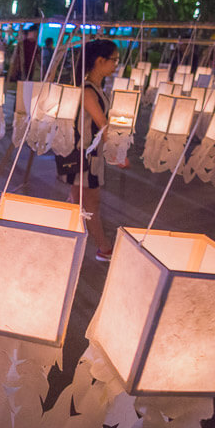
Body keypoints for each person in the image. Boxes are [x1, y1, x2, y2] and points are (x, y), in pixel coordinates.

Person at [56, 38, 118, 261]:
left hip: (90, 155)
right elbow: (103, 125)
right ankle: (104, 248)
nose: (116, 65)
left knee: (80, 201)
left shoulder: (95, 89)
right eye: (114, 60)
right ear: (100, 61)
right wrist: (118, 151)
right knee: (89, 203)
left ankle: (62, 239)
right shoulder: (88, 90)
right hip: (84, 156)